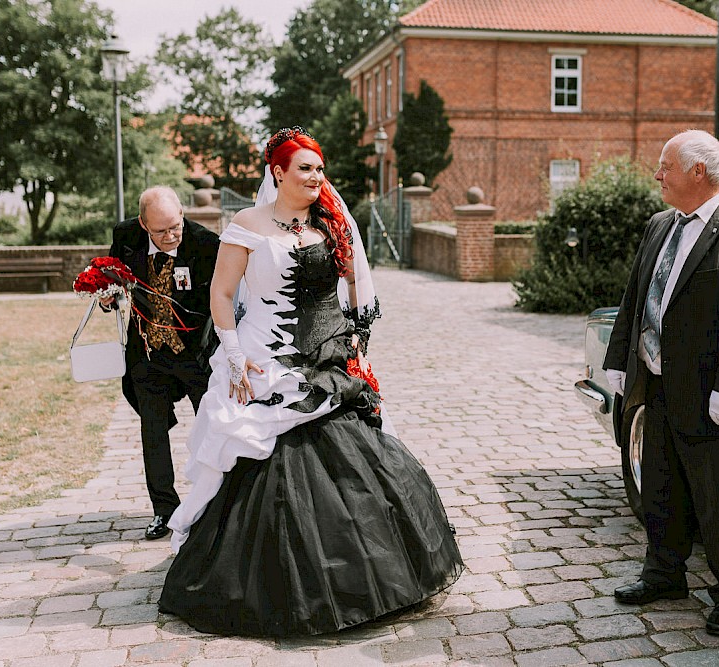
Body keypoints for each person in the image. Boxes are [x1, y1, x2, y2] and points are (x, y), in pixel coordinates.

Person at [158, 127, 463, 636]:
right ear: (277, 172)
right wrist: (234, 359)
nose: (316, 177)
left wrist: (352, 341)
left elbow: (347, 288)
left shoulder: (331, 222)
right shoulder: (247, 224)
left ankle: (363, 574)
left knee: (358, 467)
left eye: (319, 168)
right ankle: (266, 582)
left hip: (325, 358)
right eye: (304, 168)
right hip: (265, 356)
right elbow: (222, 295)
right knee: (267, 470)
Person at [603, 129, 719, 637]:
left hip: (708, 396)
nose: (658, 175)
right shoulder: (660, 224)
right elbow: (637, 298)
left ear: (698, 172)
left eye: (666, 166)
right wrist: (621, 357)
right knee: (659, 487)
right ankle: (664, 574)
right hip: (655, 385)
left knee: (718, 500)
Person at [107, 186, 220, 541]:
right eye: (161, 231)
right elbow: (114, 274)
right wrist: (109, 295)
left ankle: (214, 505)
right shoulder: (125, 236)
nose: (171, 236)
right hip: (148, 355)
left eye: (176, 227)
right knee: (152, 433)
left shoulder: (206, 245)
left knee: (214, 430)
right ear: (143, 224)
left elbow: (221, 300)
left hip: (196, 355)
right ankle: (164, 510)